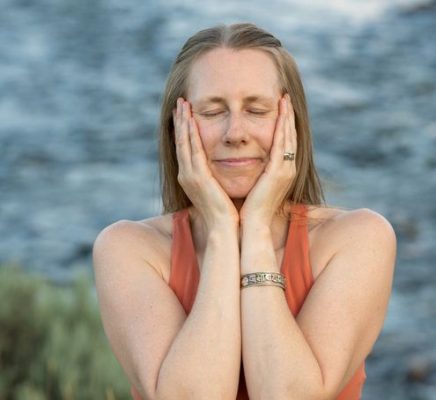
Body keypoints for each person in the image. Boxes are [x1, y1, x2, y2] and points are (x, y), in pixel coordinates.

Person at [92, 23, 397, 400]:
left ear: (292, 123)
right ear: (177, 127)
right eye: (212, 111)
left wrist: (254, 230)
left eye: (256, 109)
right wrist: (222, 229)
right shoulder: (126, 249)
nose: (235, 132)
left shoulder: (359, 238)